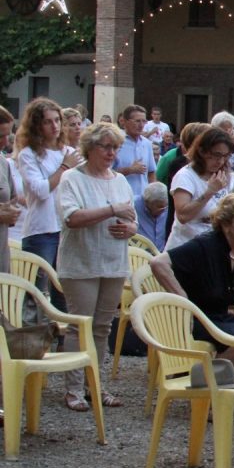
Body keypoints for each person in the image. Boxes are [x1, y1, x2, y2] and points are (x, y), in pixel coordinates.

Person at [56, 121, 135, 411]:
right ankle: (73, 389)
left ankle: (95, 385)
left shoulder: (119, 180)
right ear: (90, 148)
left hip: (113, 262)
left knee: (102, 327)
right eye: (106, 146)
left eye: (115, 147)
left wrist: (130, 229)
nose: (111, 152)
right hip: (81, 261)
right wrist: (112, 210)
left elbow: (132, 219)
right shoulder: (72, 179)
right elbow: (72, 218)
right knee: (80, 324)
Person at [149, 193, 234, 398]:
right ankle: (212, 400)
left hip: (218, 315)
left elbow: (233, 295)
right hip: (193, 317)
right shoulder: (204, 245)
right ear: (226, 225)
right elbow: (158, 263)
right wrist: (183, 298)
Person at [17, 98, 81, 304]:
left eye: (57, 120)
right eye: (47, 122)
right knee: (35, 293)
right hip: (41, 229)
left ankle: (62, 334)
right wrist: (64, 167)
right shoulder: (29, 155)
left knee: (64, 291)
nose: (54, 126)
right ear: (37, 125)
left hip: (66, 228)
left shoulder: (70, 152)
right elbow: (41, 190)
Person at [166, 127, 234, 251]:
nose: (220, 161)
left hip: (213, 246)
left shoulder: (226, 175)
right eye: (216, 155)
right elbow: (183, 216)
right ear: (202, 151)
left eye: (225, 156)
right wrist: (210, 192)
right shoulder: (185, 175)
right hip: (186, 247)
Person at [0, 107, 21, 273]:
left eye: (8, 135)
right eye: (1, 136)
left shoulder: (2, 162)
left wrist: (12, 213)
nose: (6, 142)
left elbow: (12, 200)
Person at [134, 181, 170, 250]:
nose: (163, 210)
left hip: (161, 254)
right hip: (139, 255)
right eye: (160, 206)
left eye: (166, 206)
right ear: (147, 202)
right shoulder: (133, 205)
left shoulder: (169, 208)